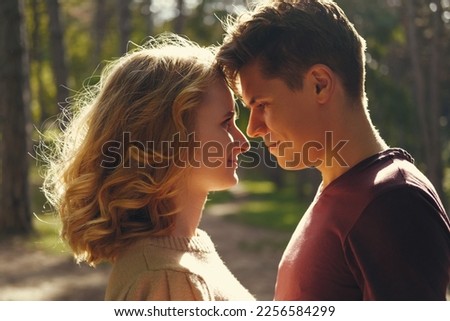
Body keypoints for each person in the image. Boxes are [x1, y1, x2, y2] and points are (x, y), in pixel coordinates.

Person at [216, 0, 450, 300]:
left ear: (319, 85)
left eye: (261, 105)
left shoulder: (393, 202)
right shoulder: (345, 190)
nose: (254, 129)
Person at [42, 34, 255, 301]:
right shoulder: (167, 278)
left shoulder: (179, 256)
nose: (242, 142)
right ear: (169, 138)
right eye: (226, 123)